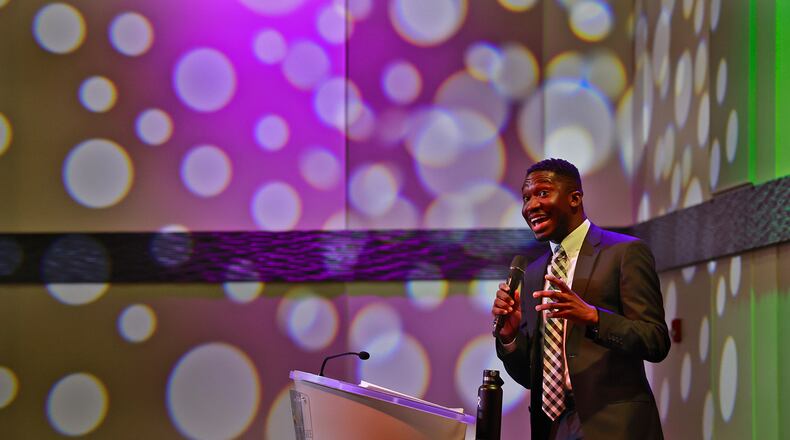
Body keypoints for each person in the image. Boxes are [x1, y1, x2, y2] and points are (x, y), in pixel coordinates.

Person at [492, 158, 670, 440]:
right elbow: (530, 376)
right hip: (552, 427)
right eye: (526, 198)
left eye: (542, 193)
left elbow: (656, 340)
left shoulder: (624, 253)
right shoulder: (536, 272)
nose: (531, 206)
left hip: (615, 426)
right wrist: (510, 337)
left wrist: (594, 317)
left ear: (574, 198)